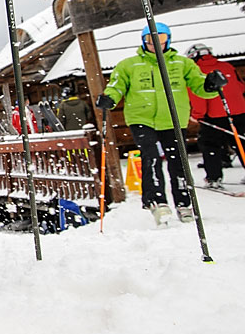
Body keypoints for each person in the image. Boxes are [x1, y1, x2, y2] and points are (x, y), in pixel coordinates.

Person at [96, 23, 224, 225]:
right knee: (151, 156)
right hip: (142, 119)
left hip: (173, 119)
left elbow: (199, 85)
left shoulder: (182, 64)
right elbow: (116, 86)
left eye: (161, 40)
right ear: (144, 42)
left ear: (168, 41)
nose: (155, 45)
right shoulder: (129, 65)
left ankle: (183, 203)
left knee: (178, 160)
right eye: (150, 41)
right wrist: (109, 99)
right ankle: (157, 202)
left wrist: (211, 84)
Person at [186, 43, 245, 189]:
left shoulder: (196, 71)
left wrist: (197, 115)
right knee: (240, 142)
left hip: (215, 115)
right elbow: (241, 86)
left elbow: (198, 97)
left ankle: (214, 178)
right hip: (239, 113)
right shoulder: (226, 66)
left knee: (210, 145)